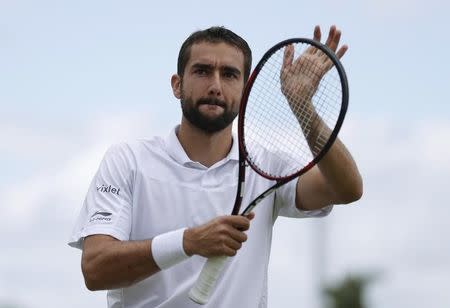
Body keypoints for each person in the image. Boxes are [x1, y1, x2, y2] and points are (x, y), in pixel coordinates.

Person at [68, 25, 362, 308]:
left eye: (230, 74)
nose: (216, 85)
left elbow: (348, 189)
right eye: (202, 71)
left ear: (244, 89)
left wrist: (302, 106)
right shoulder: (129, 160)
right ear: (177, 84)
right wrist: (189, 242)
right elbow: (96, 269)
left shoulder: (266, 166)